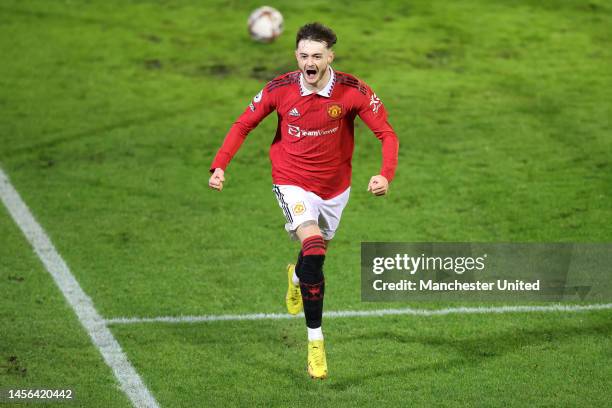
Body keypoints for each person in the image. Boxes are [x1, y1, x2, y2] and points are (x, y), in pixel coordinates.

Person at [208, 22, 399, 379]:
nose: (309, 62)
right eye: (303, 55)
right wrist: (220, 165)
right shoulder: (279, 89)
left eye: (317, 55)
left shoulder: (352, 90)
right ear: (296, 56)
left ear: (330, 57)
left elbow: (387, 134)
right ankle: (316, 342)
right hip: (291, 181)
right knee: (313, 247)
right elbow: (243, 125)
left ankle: (295, 277)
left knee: (313, 257)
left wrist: (385, 174)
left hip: (335, 189)